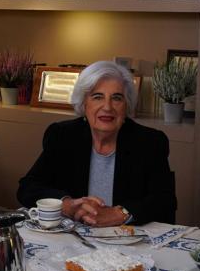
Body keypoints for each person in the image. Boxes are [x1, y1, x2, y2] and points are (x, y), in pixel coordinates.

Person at [17, 61, 176, 226]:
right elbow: (27, 187)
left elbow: (164, 202)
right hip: (71, 240)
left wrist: (120, 213)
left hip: (128, 242)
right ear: (84, 103)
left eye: (117, 98)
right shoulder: (63, 136)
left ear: (126, 106)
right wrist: (65, 204)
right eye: (97, 97)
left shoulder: (149, 142)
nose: (107, 107)